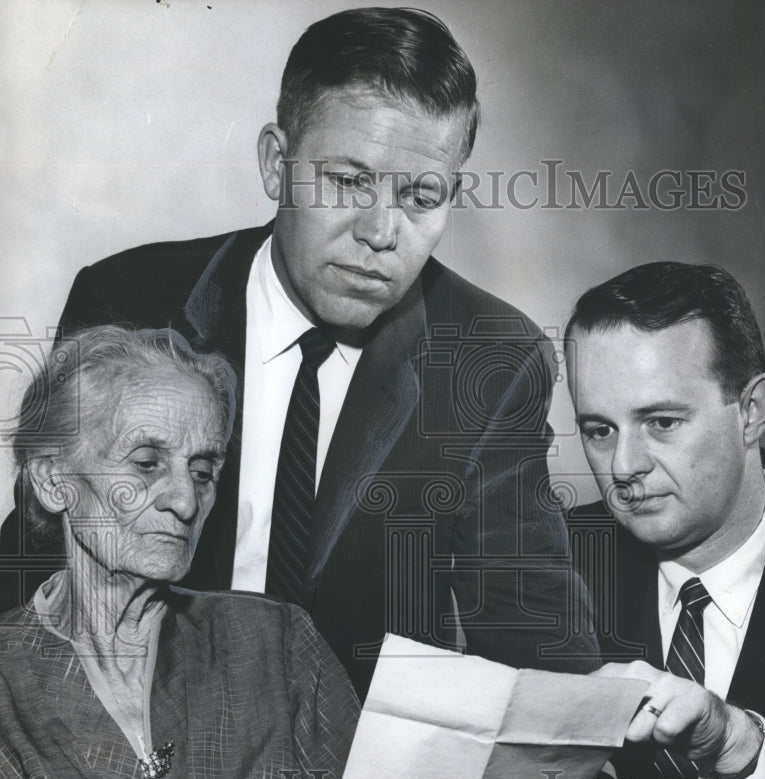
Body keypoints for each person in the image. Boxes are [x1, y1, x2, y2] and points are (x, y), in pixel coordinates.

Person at [0, 6, 598, 695]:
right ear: (275, 164)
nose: (381, 231)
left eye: (421, 196)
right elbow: (32, 568)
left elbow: (539, 646)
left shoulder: (487, 359)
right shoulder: (129, 303)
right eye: (348, 181)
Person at [0, 325, 510, 779]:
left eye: (203, 470)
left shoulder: (275, 644)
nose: (185, 501)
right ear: (54, 480)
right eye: (147, 463)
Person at [514, 262, 765, 779]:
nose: (624, 466)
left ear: (752, 408)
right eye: (598, 430)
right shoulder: (543, 572)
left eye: (661, 422)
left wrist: (743, 749)